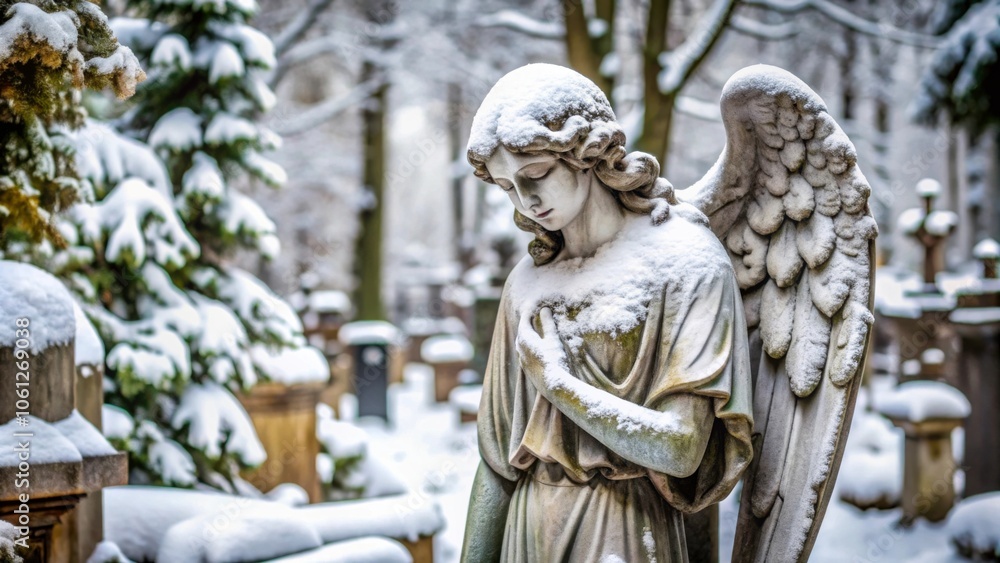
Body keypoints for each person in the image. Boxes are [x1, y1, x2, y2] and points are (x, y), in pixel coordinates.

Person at [460, 63, 754, 563]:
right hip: (527, 535)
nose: (527, 201)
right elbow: (496, 465)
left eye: (536, 175)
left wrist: (559, 386)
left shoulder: (685, 262)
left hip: (624, 528)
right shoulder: (526, 284)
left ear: (589, 154)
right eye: (509, 187)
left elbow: (681, 449)